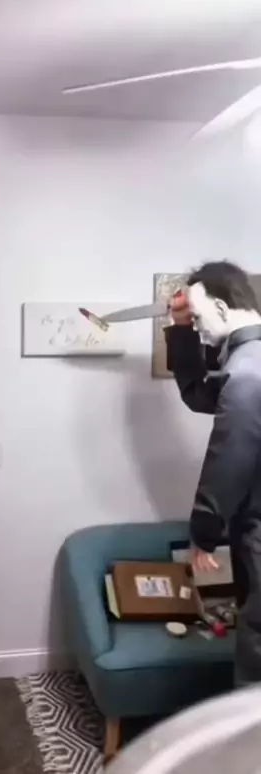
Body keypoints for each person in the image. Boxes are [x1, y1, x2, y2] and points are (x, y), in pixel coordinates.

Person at [165, 261, 261, 686]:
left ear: (222, 308)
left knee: (258, 644)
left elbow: (229, 459)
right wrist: (181, 329)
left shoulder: (249, 373)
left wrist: (204, 532)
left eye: (200, 317)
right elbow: (202, 396)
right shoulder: (244, 362)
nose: (199, 327)